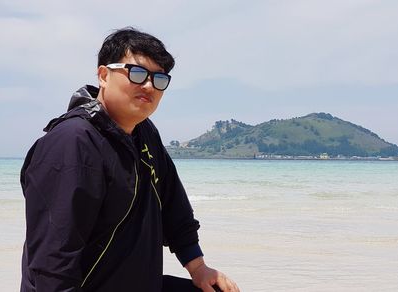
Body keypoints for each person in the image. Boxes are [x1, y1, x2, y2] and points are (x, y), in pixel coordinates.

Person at [20, 27, 239, 292]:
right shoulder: (73, 143)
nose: (149, 86)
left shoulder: (145, 133)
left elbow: (174, 208)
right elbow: (54, 258)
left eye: (159, 79)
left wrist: (199, 268)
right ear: (103, 75)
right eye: (137, 73)